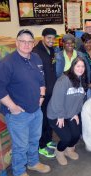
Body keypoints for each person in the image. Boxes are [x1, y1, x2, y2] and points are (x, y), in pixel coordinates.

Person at [0, 29, 50, 176]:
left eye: (29, 41)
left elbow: (41, 80)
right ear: (17, 42)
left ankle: (33, 162)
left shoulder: (36, 58)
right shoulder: (7, 63)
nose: (26, 44)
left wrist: (42, 96)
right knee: (21, 145)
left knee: (34, 139)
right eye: (23, 41)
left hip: (36, 110)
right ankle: (19, 172)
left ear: (33, 43)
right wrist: (13, 107)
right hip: (18, 114)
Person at [47, 57, 88, 165]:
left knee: (76, 134)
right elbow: (57, 100)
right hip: (56, 114)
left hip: (69, 113)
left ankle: (69, 150)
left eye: (83, 66)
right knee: (66, 137)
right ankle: (59, 151)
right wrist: (60, 116)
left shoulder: (81, 80)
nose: (80, 69)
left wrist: (75, 113)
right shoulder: (64, 80)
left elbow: (80, 100)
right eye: (78, 66)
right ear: (73, 66)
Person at [32, 28, 57, 158]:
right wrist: (41, 93)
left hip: (51, 91)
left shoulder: (51, 50)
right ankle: (41, 146)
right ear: (42, 37)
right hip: (42, 94)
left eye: (53, 38)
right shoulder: (36, 53)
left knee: (49, 118)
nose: (51, 41)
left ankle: (48, 140)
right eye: (49, 38)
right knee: (41, 120)